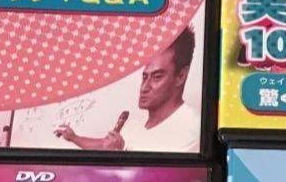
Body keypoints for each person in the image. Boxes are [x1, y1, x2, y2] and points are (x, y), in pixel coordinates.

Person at [55, 28, 201, 152]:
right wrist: (74, 137)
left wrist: (119, 152)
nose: (144, 88)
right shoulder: (134, 124)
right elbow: (104, 145)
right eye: (144, 77)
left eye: (157, 77)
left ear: (181, 76)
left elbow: (161, 173)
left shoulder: (191, 126)